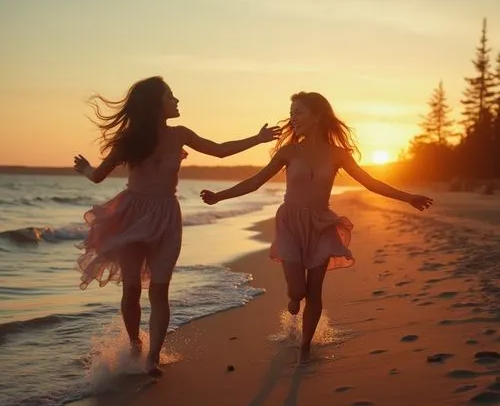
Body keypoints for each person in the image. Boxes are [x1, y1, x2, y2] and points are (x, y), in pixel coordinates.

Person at [200, 91, 433, 363]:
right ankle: (293, 301)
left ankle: (305, 348)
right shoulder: (288, 151)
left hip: (322, 224)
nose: (292, 118)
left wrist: (409, 197)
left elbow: (371, 183)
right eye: (291, 113)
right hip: (290, 223)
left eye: (298, 112)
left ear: (317, 116)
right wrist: (219, 196)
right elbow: (255, 181)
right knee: (297, 291)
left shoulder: (339, 155)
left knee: (315, 291)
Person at [73, 76, 281, 375]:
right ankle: (135, 345)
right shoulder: (129, 140)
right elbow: (98, 176)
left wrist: (257, 139)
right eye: (171, 96)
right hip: (131, 215)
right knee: (131, 289)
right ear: (157, 103)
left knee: (159, 290)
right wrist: (84, 169)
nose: (177, 100)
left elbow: (219, 150)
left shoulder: (180, 134)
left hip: (167, 216)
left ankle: (153, 358)